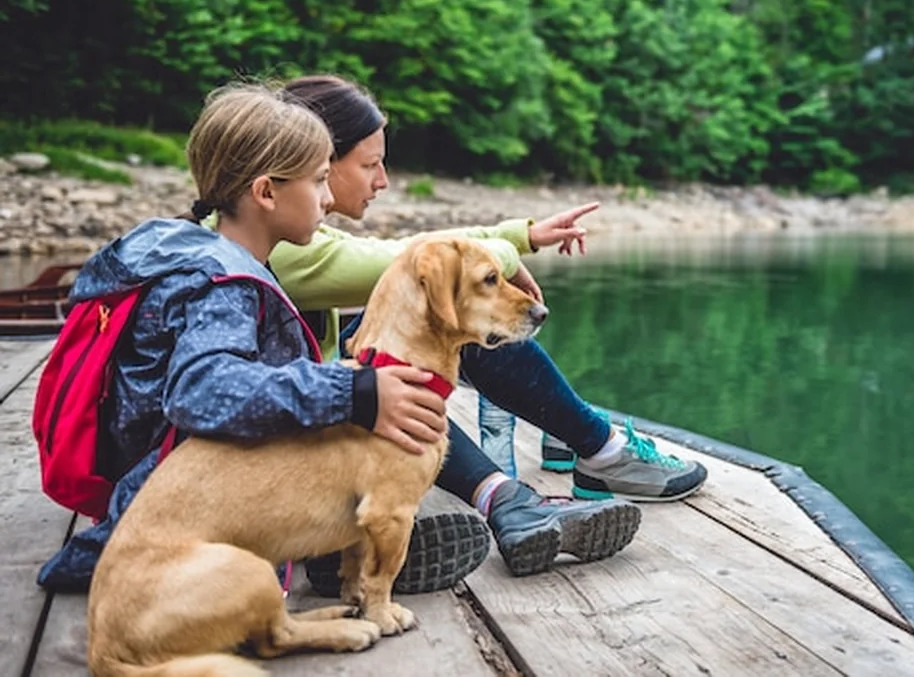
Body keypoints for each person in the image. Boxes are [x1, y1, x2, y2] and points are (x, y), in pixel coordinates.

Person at [36, 83, 641, 594]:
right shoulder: (220, 283)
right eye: (321, 179)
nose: (329, 197)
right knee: (368, 385)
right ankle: (340, 543)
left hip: (168, 481)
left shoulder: (211, 253)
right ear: (267, 192)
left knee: (369, 379)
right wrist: (353, 394)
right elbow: (202, 390)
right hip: (169, 506)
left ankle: (351, 532)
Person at [271, 75, 708, 595]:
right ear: (304, 164)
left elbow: (415, 257)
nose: (383, 181)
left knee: (453, 324)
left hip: (308, 418)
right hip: (292, 447)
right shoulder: (286, 248)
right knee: (431, 331)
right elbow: (413, 261)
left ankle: (532, 485)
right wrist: (511, 246)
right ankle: (571, 467)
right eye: (369, 165)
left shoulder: (283, 235)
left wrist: (513, 242)